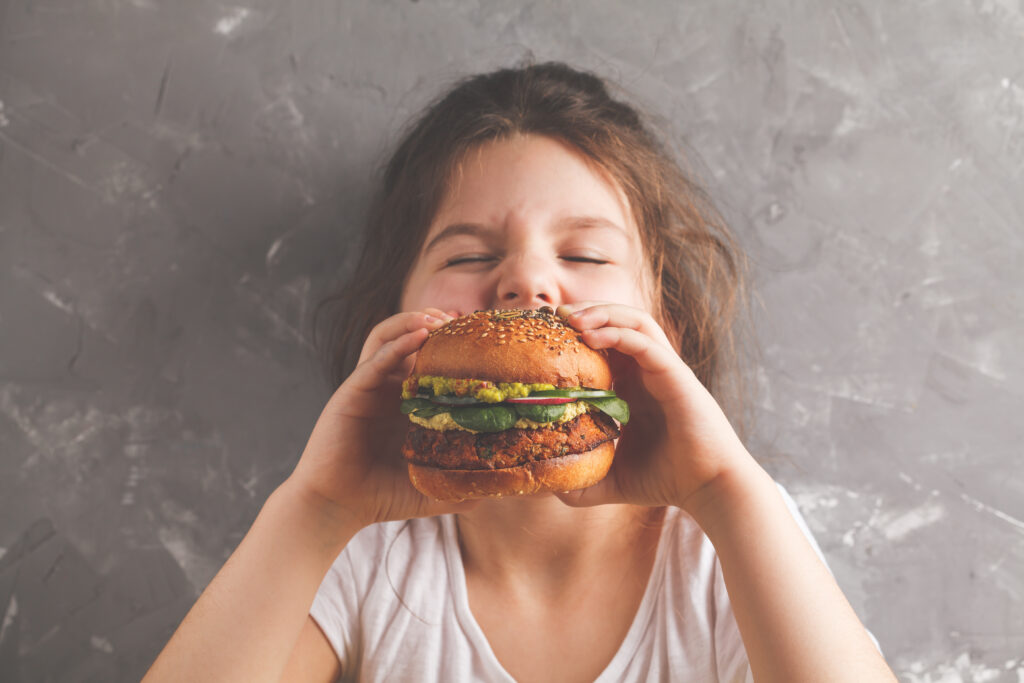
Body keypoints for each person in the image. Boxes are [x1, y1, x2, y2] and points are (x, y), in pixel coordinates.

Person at [143, 62, 895, 682]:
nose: (529, 284)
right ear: (397, 312)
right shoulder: (360, 554)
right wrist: (317, 507)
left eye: (585, 255)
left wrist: (724, 491)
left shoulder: (729, 539)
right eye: (468, 256)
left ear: (665, 323)